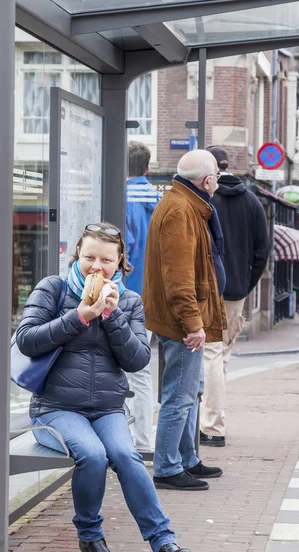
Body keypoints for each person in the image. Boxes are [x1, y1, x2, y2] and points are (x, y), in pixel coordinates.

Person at [15, 223, 194, 552]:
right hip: (55, 407)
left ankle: (164, 544)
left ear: (120, 262)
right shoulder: (53, 289)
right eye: (89, 258)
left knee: (127, 456)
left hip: (107, 408)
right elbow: (27, 340)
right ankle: (90, 536)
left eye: (106, 260)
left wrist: (110, 317)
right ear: (77, 257)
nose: (97, 267)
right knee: (93, 456)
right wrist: (80, 316)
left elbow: (138, 359)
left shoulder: (128, 301)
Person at [142, 149, 226, 491]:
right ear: (207, 180)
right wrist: (193, 324)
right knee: (180, 394)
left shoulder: (182, 204)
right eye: (217, 176)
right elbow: (179, 278)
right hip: (181, 322)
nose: (218, 181)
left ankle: (186, 458)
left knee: (190, 391)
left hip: (181, 318)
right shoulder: (181, 211)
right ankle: (166, 467)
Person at [200, 145, 269, 447]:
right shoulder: (252, 202)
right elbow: (262, 251)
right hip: (236, 291)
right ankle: (212, 416)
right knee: (222, 355)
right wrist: (244, 284)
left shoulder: (205, 198)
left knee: (211, 354)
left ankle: (212, 426)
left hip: (206, 287)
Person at [125, 141, 162, 450]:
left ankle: (129, 437)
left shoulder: (121, 198)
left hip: (125, 295)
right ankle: (144, 439)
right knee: (141, 370)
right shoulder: (161, 200)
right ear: (148, 169)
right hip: (153, 295)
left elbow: (124, 247)